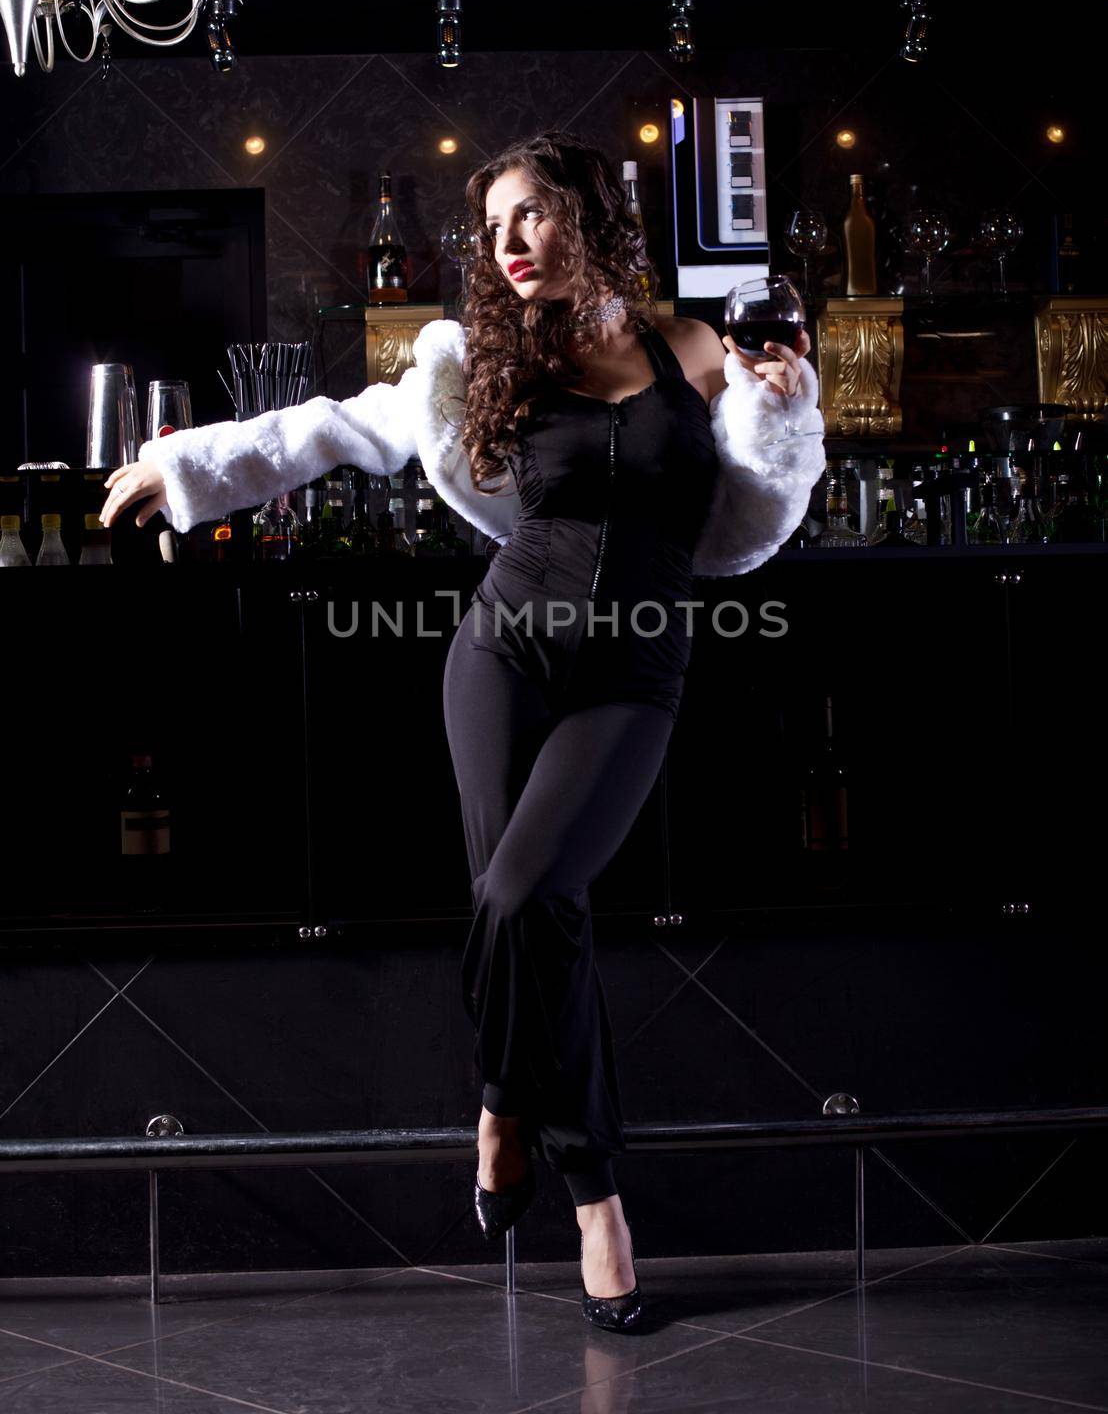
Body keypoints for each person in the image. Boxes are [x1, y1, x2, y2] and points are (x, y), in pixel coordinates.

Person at [100, 129, 826, 1333]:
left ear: (589, 214)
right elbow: (336, 425)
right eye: (492, 226)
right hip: (501, 651)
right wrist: (192, 462)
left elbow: (759, 496)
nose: (507, 245)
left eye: (531, 214)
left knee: (524, 895)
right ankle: (600, 1207)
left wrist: (784, 413)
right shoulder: (486, 354)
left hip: (635, 667)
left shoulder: (687, 344)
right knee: (536, 912)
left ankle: (498, 1103)